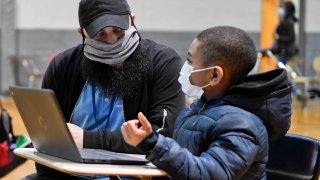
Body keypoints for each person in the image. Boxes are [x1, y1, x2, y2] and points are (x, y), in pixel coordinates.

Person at [25, 0, 185, 179]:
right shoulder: (63, 65)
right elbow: (47, 137)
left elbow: (164, 136)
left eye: (118, 30)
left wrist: (87, 140)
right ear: (82, 33)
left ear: (132, 20)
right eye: (100, 33)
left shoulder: (163, 63)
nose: (112, 41)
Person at [121, 26, 292, 179]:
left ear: (214, 75)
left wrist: (152, 144)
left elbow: (210, 174)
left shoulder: (243, 126)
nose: (185, 66)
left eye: (190, 61)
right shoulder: (197, 109)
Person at [272, 0, 298, 64]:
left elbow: (292, 37)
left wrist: (279, 37)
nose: (281, 9)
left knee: (280, 70)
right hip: (282, 49)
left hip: (285, 50)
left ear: (287, 9)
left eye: (282, 7)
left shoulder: (289, 21)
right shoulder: (285, 20)